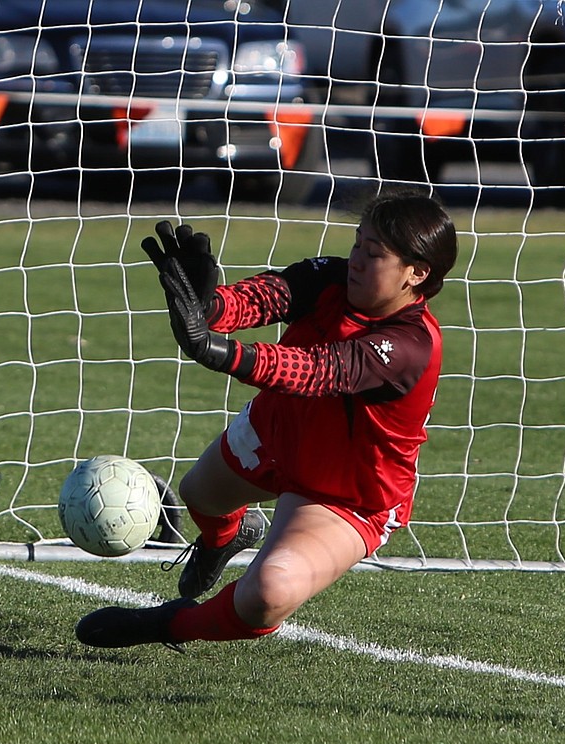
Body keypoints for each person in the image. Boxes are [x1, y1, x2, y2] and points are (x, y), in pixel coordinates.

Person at [76, 186, 459, 650]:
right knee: (199, 495)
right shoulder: (331, 277)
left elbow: (319, 371)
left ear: (416, 274)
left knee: (267, 594)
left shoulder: (411, 344)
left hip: (347, 492)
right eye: (358, 242)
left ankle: (170, 624)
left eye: (373, 253)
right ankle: (226, 537)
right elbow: (266, 296)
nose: (356, 258)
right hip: (276, 432)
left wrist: (221, 352)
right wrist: (210, 304)